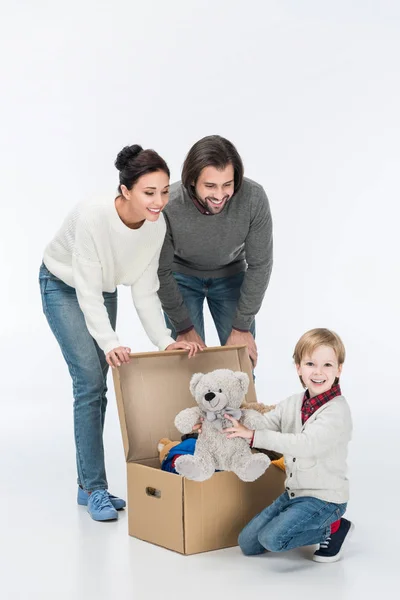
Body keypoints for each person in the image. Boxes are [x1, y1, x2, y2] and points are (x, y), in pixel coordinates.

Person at [39, 145, 201, 522]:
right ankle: (95, 488)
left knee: (100, 386)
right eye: (149, 192)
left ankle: (86, 485)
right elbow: (86, 291)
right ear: (125, 191)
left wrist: (164, 341)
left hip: (102, 287)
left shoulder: (155, 226)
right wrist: (110, 342)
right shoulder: (93, 215)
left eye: (164, 191)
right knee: (89, 382)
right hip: (63, 285)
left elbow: (145, 291)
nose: (159, 201)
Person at [223, 328, 354, 563]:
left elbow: (304, 445)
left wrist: (253, 436)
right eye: (311, 364)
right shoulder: (293, 403)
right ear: (298, 368)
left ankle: (334, 527)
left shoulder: (337, 412)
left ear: (339, 369)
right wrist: (230, 421)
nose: (318, 372)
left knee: (273, 540)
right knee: (248, 543)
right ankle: (295, 523)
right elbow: (264, 422)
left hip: (325, 499)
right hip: (295, 493)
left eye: (327, 365)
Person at [157, 135, 273, 367]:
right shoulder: (169, 204)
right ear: (192, 181)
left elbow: (260, 264)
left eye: (227, 185)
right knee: (188, 366)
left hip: (231, 275)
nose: (220, 195)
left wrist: (241, 326)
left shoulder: (254, 197)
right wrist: (184, 326)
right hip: (181, 278)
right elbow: (161, 270)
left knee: (241, 365)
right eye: (210, 186)